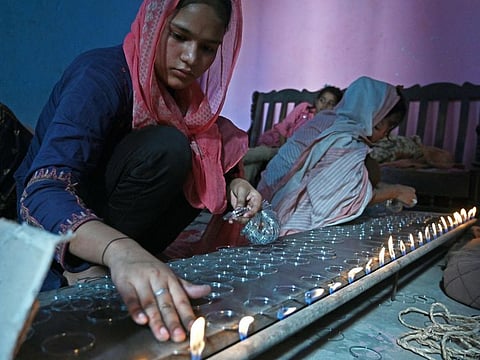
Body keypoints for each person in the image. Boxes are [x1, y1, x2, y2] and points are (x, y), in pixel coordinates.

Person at [14, 0, 262, 343]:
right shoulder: (100, 76)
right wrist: (119, 251)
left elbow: (212, 148)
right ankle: (86, 268)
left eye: (207, 48)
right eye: (179, 36)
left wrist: (234, 183)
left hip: (124, 230)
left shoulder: (185, 99)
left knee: (199, 157)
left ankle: (133, 259)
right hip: (61, 232)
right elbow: (41, 192)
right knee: (171, 146)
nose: (191, 58)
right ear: (155, 23)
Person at [257, 76, 417, 235]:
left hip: (265, 195)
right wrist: (395, 191)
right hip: (285, 217)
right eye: (388, 129)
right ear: (378, 121)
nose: (386, 136)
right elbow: (344, 198)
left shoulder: (326, 118)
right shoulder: (346, 139)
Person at [243, 85, 343, 184]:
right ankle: (236, 160)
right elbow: (283, 126)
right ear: (317, 100)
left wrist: (285, 150)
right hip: (277, 141)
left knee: (255, 162)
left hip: (289, 152)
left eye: (330, 103)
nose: (324, 105)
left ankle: (235, 161)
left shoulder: (325, 124)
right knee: (263, 154)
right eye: (322, 100)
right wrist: (283, 146)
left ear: (335, 107)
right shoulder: (304, 108)